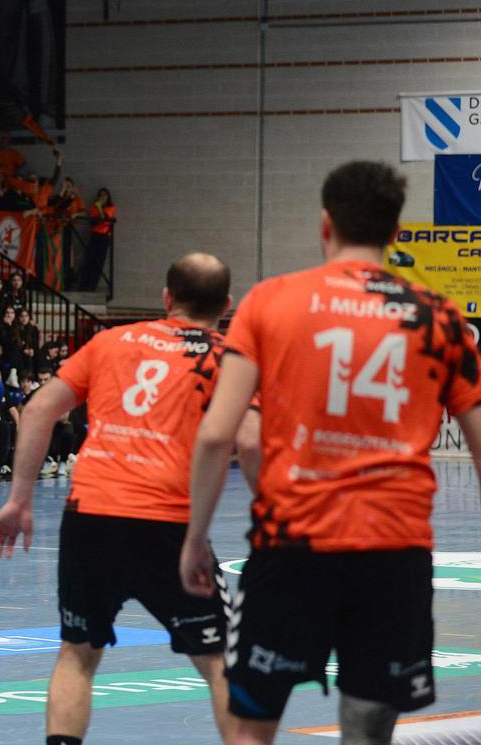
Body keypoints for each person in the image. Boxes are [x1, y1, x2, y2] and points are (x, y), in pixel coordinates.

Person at [180, 162, 481, 745]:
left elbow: (223, 435)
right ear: (396, 233)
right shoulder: (442, 319)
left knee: (249, 726)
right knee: (367, 732)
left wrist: (194, 538)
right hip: (394, 552)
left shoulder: (271, 303)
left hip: (293, 545)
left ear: (325, 224)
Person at [0, 252, 240, 745]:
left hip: (91, 517)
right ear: (226, 306)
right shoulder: (226, 356)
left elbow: (39, 409)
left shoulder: (110, 340)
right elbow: (248, 438)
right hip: (168, 524)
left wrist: (19, 501)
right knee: (220, 659)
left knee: (77, 652)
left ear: (167, 299)